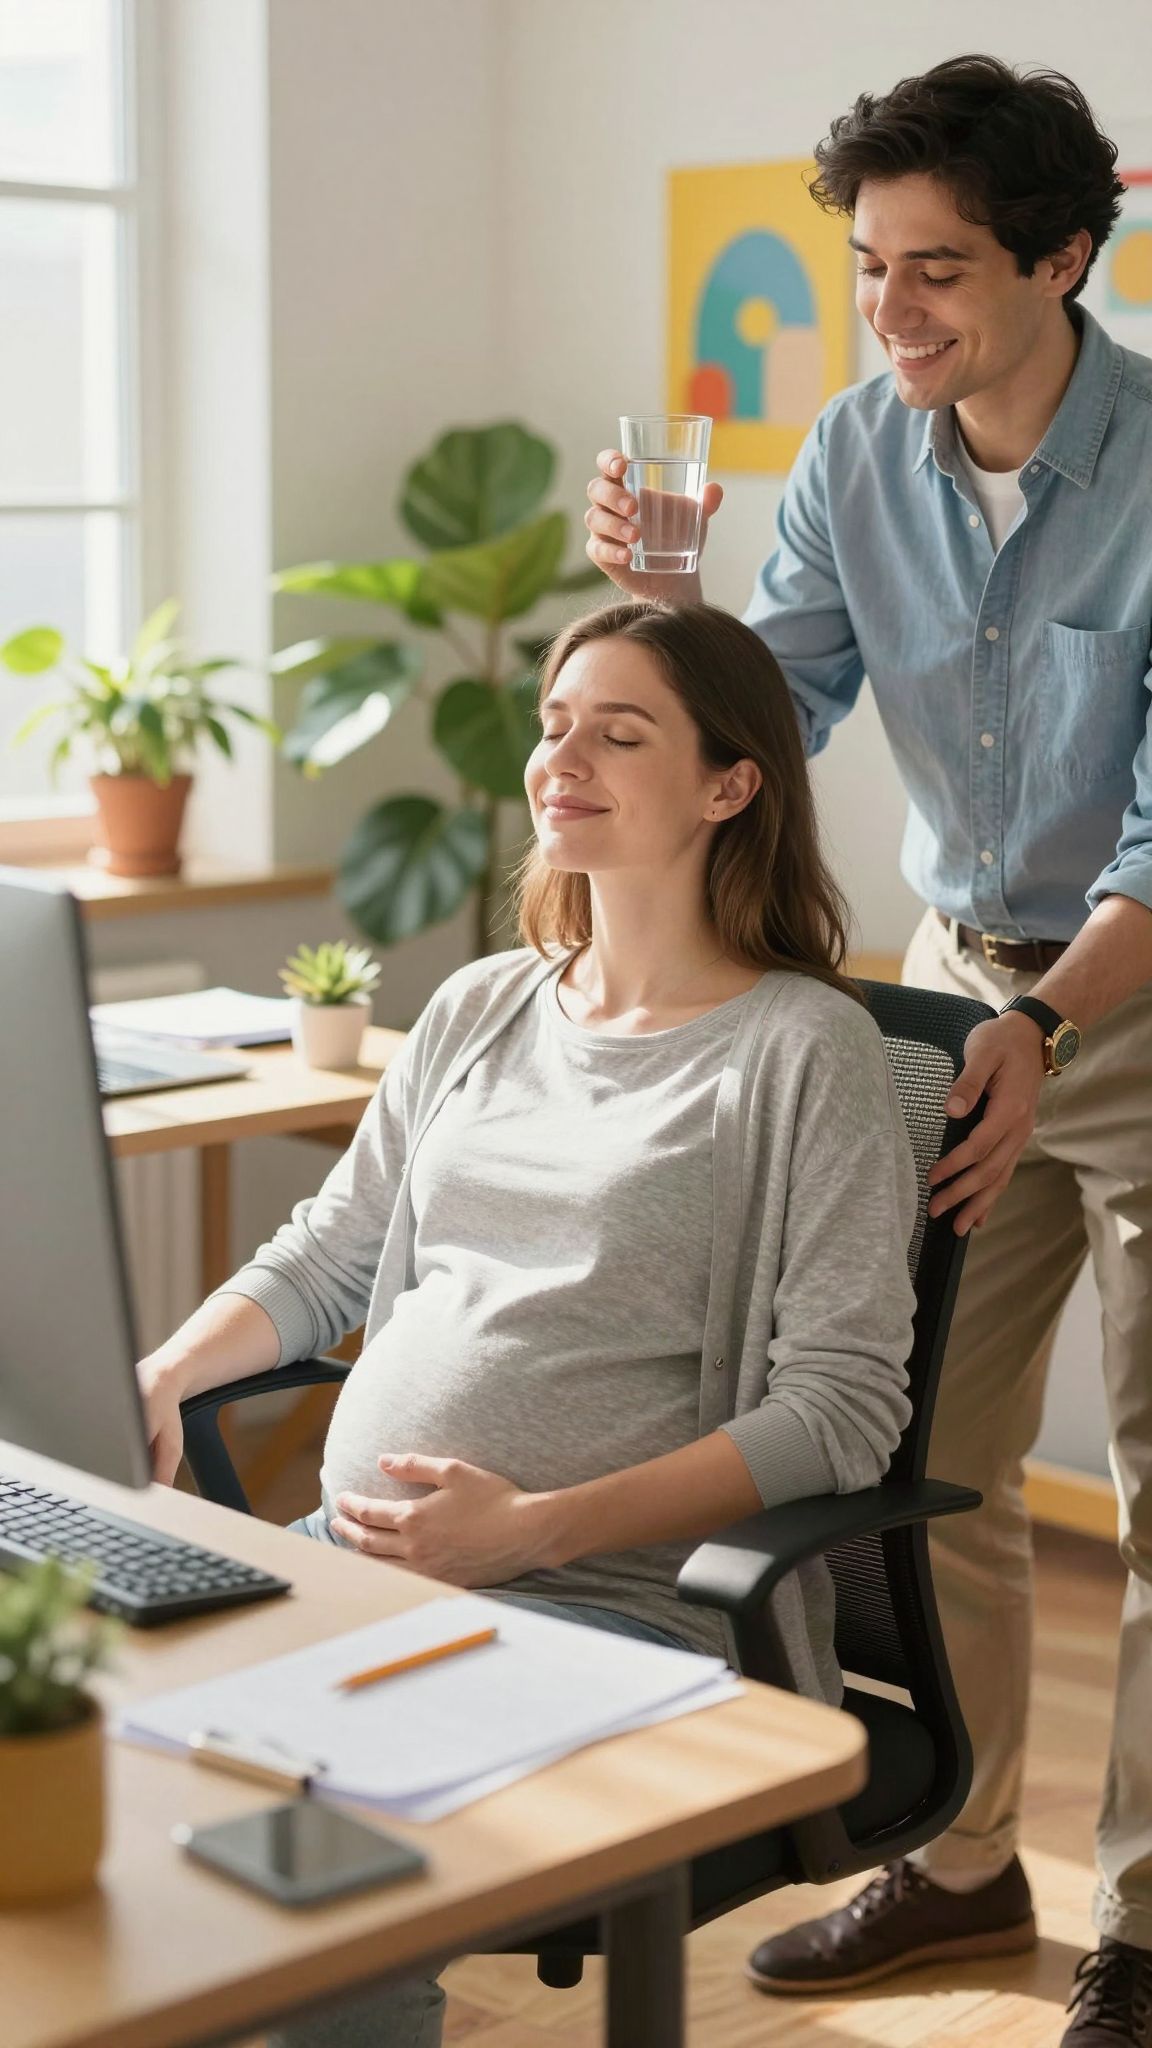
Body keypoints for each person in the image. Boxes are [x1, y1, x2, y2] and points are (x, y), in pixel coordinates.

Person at [136, 598, 918, 2048]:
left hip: (617, 1607)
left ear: (730, 785)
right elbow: (330, 1257)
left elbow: (841, 1412)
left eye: (620, 734)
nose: (563, 759)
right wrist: (164, 1374)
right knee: (89, 1738)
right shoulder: (484, 1006)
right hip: (352, 1566)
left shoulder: (806, 1052)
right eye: (556, 727)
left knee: (334, 1872)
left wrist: (532, 1531)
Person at [586, 51, 1152, 2048]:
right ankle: (969, 1856)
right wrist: (670, 609)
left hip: (1128, 1005)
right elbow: (789, 703)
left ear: (1063, 259)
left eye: (938, 270)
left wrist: (1047, 1023)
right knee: (940, 1465)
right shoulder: (852, 449)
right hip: (959, 990)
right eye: (869, 270)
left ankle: (1147, 1923)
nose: (892, 313)